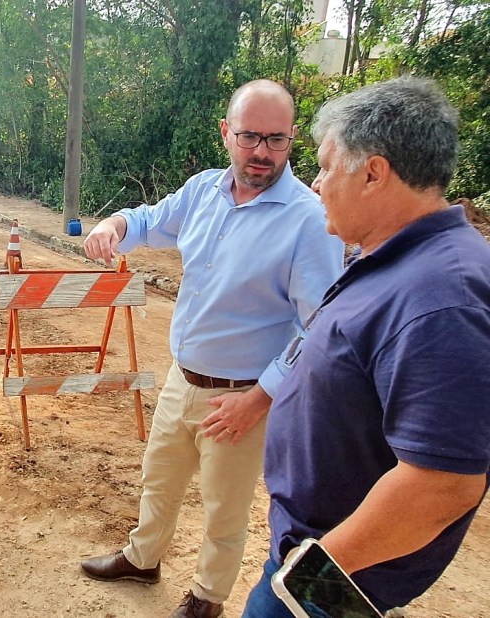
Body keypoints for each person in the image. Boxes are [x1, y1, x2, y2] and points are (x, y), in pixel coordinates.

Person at [80, 79, 344, 618]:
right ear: (227, 133)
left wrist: (261, 397)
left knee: (224, 510)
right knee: (160, 476)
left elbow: (318, 326)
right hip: (184, 377)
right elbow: (152, 221)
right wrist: (115, 224)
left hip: (243, 396)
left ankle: (207, 598)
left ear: (292, 138)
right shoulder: (204, 191)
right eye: (250, 137)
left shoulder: (309, 220)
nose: (262, 152)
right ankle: (143, 556)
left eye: (276, 139)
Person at [243, 77, 490, 616]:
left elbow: (444, 484)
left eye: (328, 166)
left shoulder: (442, 297)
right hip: (319, 560)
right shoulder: (394, 259)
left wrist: (313, 572)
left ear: (374, 173)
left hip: (333, 583)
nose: (316, 182)